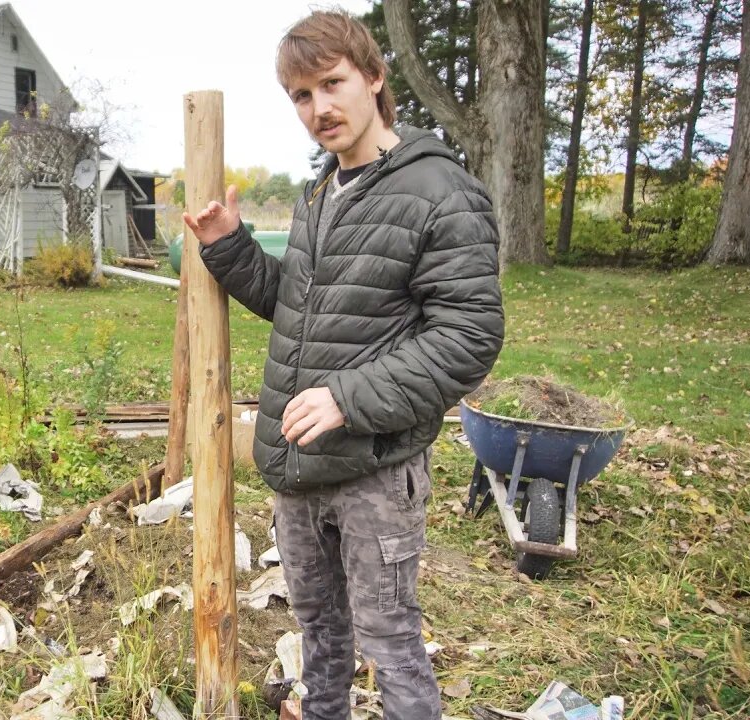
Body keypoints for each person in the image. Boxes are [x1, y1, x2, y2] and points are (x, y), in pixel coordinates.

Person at [182, 8, 505, 720]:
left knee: (390, 642)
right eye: (300, 95)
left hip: (375, 469)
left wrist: (348, 399)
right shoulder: (322, 195)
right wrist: (231, 247)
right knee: (320, 633)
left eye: (331, 84)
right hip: (300, 466)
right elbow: (298, 307)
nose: (318, 109)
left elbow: (470, 335)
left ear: (375, 77)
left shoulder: (439, 193)